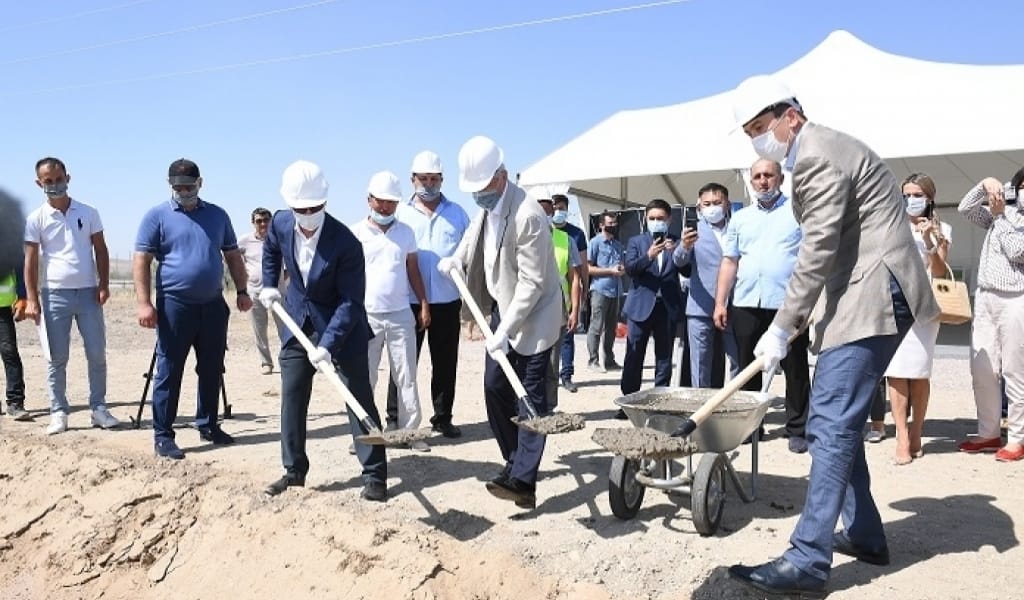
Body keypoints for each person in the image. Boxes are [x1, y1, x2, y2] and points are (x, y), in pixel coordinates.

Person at [723, 75, 937, 597]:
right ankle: (864, 534)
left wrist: (780, 327)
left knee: (830, 421)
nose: (758, 140)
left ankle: (807, 558)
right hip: (866, 294)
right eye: (749, 133)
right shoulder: (822, 149)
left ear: (789, 116)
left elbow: (816, 249)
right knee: (833, 418)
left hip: (874, 294)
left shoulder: (817, 153)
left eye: (760, 127)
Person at [439, 136, 562, 510]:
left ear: (502, 176)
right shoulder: (487, 207)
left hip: (535, 313)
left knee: (530, 397)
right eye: (473, 190)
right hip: (502, 308)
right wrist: (456, 259)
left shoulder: (528, 215)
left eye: (484, 188)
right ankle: (514, 460)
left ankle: (523, 482)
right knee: (495, 386)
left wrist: (506, 331)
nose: (478, 196)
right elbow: (475, 236)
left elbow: (532, 283)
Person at [259, 160, 387, 501]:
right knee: (292, 396)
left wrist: (328, 344)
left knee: (357, 397)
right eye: (301, 208)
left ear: (326, 202)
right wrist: (270, 284)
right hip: (297, 322)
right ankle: (294, 471)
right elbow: (271, 251)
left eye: (315, 207)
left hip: (341, 329)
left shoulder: (346, 243)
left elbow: (350, 303)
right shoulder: (280, 224)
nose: (308, 213)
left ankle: (375, 475)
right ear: (290, 205)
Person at [134, 158, 252, 460]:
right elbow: (142, 260)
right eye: (178, 187)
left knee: (211, 368)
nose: (183, 191)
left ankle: (208, 424)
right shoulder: (156, 216)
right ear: (169, 185)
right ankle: (163, 434)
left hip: (212, 305)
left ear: (200, 183)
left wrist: (241, 291)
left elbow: (233, 256)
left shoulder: (217, 215)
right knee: (169, 370)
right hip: (175, 306)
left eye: (188, 186)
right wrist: (144, 303)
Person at [714, 158, 811, 453]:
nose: (763, 181)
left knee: (795, 368)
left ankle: (797, 429)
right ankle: (752, 426)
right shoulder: (740, 219)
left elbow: (811, 258)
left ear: (781, 179)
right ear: (751, 181)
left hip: (787, 303)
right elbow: (730, 261)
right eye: (757, 176)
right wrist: (721, 302)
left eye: (769, 175)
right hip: (746, 301)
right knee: (748, 367)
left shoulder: (798, 213)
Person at [24, 157, 119, 435]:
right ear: (39, 183)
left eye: (58, 178)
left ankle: (98, 408)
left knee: (96, 352)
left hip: (89, 294)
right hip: (54, 295)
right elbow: (30, 260)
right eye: (48, 181)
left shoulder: (88, 212)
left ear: (68, 177)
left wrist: (103, 285)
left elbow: (100, 249)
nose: (54, 185)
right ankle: (58, 412)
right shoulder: (36, 218)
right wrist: (32, 299)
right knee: (56, 357)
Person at [387, 151, 470, 439]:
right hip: (407, 302)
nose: (429, 183)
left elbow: (469, 254)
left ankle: (442, 417)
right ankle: (394, 418)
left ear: (442, 180)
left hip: (447, 301)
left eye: (434, 178)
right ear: (413, 180)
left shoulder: (458, 214)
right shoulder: (399, 214)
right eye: (423, 178)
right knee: (403, 363)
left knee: (445, 363)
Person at [351, 171, 430, 452]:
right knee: (365, 376)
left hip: (400, 316)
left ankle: (411, 433)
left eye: (391, 203)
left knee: (406, 375)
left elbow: (413, 271)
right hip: (367, 316)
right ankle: (362, 433)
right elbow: (348, 276)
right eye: (381, 202)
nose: (385, 208)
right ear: (369, 200)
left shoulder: (405, 233)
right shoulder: (356, 233)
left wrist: (422, 303)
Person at [880, 173, 951, 464]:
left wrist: (929, 240)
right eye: (907, 194)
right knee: (895, 371)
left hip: (925, 306)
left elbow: (939, 271)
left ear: (930, 198)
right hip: (894, 303)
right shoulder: (891, 224)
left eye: (917, 194)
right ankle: (900, 435)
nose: (911, 200)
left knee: (919, 372)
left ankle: (917, 430)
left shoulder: (942, 228)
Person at [956, 169, 1024, 462]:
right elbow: (965, 209)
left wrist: (1000, 217)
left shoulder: (1004, 219)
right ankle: (988, 432)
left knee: (1014, 371)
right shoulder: (1003, 211)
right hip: (985, 297)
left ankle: (1017, 439)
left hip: (1016, 298)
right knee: (982, 368)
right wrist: (984, 185)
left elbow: (1018, 251)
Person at [673, 183, 740, 387]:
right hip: (700, 306)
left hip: (735, 304)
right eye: (707, 203)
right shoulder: (693, 232)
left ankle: (736, 403)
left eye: (717, 203)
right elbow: (678, 261)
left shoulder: (739, 226)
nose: (712, 207)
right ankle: (701, 408)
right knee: (700, 362)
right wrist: (684, 246)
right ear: (699, 206)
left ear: (727, 203)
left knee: (738, 359)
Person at [619, 199, 685, 399]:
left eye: (661, 218)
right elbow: (630, 269)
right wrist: (648, 256)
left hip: (667, 307)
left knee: (664, 357)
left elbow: (688, 270)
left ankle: (660, 398)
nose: (657, 222)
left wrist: (679, 253)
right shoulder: (636, 242)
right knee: (634, 355)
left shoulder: (677, 242)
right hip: (641, 307)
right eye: (653, 218)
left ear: (669, 219)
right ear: (645, 219)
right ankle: (629, 399)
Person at [535, 189, 583, 409]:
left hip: (558, 309)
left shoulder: (565, 239)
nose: (545, 213)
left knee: (553, 364)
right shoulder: (520, 237)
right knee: (531, 363)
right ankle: (529, 405)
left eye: (548, 209)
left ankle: (549, 408)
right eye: (540, 209)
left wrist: (574, 310)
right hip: (529, 310)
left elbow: (574, 279)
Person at [552, 193, 589, 392]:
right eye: (555, 208)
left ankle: (566, 375)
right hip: (545, 299)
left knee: (567, 337)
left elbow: (582, 265)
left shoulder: (575, 234)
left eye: (562, 208)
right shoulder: (541, 232)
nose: (558, 212)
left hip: (566, 296)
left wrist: (584, 290)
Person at [238, 207, 278, 375]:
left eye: (266, 220)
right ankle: (266, 363)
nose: (263, 224)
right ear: (253, 223)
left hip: (278, 291)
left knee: (286, 329)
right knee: (259, 330)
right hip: (254, 292)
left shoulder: (279, 238)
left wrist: (286, 276)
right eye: (259, 221)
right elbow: (233, 258)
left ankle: (289, 361)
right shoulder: (244, 241)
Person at [586, 211, 625, 373]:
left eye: (615, 223)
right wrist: (610, 271)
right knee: (596, 326)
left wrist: (622, 269)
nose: (613, 226)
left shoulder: (618, 244)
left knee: (611, 328)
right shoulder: (595, 243)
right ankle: (593, 361)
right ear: (601, 225)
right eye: (610, 223)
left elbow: (620, 264)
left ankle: (609, 359)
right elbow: (588, 268)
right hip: (600, 289)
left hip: (616, 291)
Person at [1, 254, 31, 421]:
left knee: (9, 351)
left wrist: (22, 296)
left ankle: (15, 403)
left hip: (3, 307)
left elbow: (20, 266)